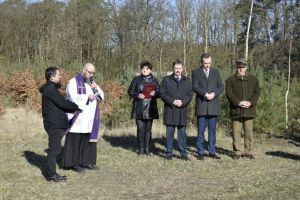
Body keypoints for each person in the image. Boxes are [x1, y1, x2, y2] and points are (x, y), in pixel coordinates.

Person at [62, 63, 104, 172]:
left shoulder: (92, 83)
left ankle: (87, 162)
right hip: (78, 116)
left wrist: (95, 89)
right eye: (89, 72)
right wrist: (87, 97)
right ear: (83, 70)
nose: (91, 74)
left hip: (90, 117)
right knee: (76, 140)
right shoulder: (73, 82)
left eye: (93, 73)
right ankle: (74, 163)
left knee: (88, 140)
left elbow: (101, 96)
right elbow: (72, 97)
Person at [40, 66, 79, 182]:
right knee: (54, 150)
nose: (61, 76)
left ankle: (52, 174)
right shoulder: (51, 90)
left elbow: (59, 104)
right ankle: (52, 175)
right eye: (58, 75)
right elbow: (63, 104)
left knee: (54, 149)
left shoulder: (50, 89)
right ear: (51, 77)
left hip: (54, 124)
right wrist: (76, 106)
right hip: (54, 125)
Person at [225, 59, 260, 160]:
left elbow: (257, 93)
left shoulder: (253, 79)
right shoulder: (230, 80)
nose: (241, 69)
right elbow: (229, 94)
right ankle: (237, 152)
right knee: (236, 131)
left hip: (249, 110)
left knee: (249, 131)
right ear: (236, 67)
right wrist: (239, 102)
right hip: (236, 110)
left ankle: (248, 151)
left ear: (246, 67)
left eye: (243, 67)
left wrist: (250, 102)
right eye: (239, 67)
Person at [192, 53, 224, 160]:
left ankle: (212, 151)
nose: (207, 65)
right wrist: (205, 94)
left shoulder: (216, 72)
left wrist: (214, 94)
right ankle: (200, 151)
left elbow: (220, 86)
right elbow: (195, 86)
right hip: (201, 105)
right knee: (200, 131)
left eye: (209, 63)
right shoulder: (196, 72)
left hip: (213, 105)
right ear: (202, 62)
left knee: (212, 131)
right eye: (205, 63)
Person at [160, 60, 193, 160]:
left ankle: (183, 153)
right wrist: (173, 101)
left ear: (182, 69)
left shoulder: (187, 81)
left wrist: (183, 102)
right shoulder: (166, 80)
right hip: (170, 110)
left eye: (179, 68)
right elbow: (162, 94)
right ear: (173, 69)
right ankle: (169, 153)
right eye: (176, 68)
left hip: (182, 110)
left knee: (182, 134)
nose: (178, 70)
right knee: (169, 134)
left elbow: (190, 94)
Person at [128, 61, 159, 155]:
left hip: (150, 108)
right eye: (143, 69)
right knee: (140, 129)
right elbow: (130, 91)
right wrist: (138, 95)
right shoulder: (136, 79)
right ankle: (141, 149)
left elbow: (160, 92)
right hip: (139, 108)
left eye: (147, 69)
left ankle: (147, 149)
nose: (144, 70)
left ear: (150, 70)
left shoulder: (155, 80)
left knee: (148, 130)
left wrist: (155, 93)